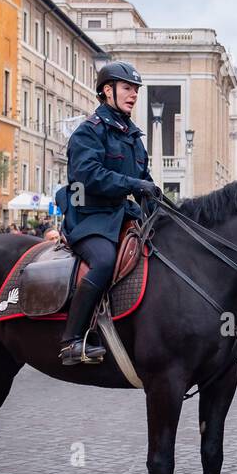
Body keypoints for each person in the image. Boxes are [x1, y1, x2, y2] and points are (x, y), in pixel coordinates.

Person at [55, 60, 160, 365]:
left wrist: (161, 207)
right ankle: (72, 341)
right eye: (127, 88)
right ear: (107, 90)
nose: (133, 95)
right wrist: (134, 183)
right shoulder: (89, 132)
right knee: (102, 262)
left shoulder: (133, 138)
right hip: (89, 218)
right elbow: (88, 175)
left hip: (122, 215)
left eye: (136, 90)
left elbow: (145, 181)